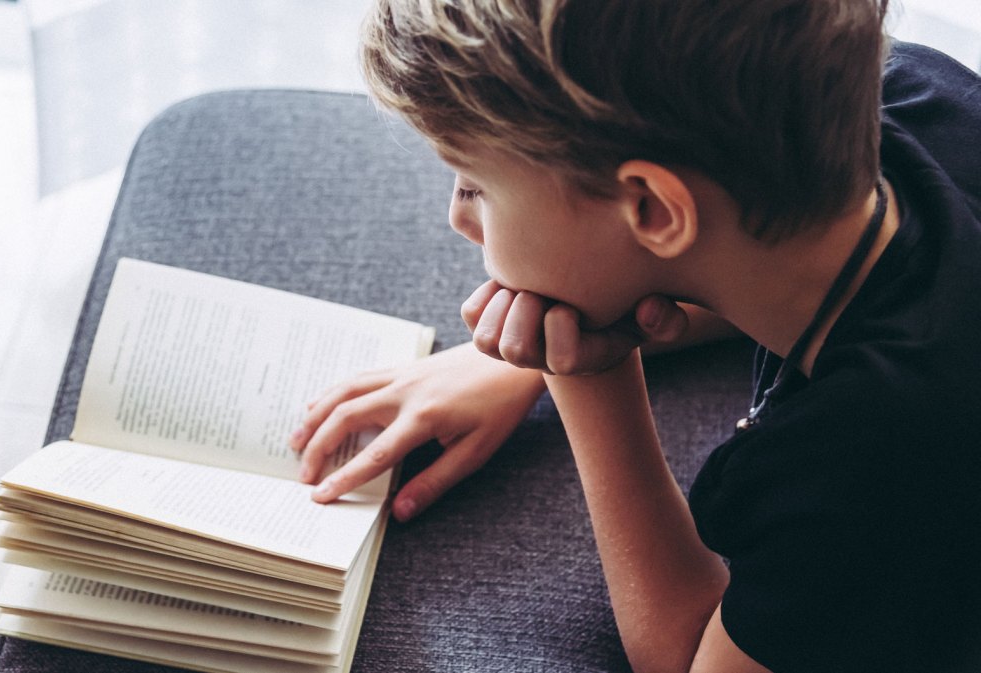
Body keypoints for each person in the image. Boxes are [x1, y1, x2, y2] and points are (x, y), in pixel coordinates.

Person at [291, 1, 981, 671]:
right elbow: (742, 257)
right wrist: (509, 366)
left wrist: (582, 374)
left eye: (475, 186)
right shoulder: (910, 96)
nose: (457, 219)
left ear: (651, 207)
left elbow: (690, 659)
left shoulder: (875, 452)